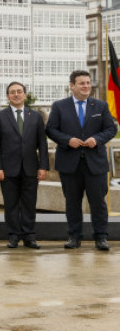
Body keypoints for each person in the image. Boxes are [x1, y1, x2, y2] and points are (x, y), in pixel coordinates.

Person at [46, 70, 117, 251]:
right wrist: (67, 140)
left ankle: (101, 237)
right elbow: (51, 130)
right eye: (81, 83)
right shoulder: (59, 106)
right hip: (70, 163)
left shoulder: (100, 106)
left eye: (88, 83)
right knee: (72, 202)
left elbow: (111, 129)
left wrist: (97, 139)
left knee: (98, 203)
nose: (86, 86)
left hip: (96, 164)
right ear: (72, 86)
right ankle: (74, 237)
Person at [0, 82, 49, 249]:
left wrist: (43, 166)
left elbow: (42, 144)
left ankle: (29, 236)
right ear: (8, 96)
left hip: (31, 168)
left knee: (30, 203)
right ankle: (14, 235)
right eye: (12, 92)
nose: (16, 94)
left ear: (25, 95)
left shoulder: (35, 116)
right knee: (11, 204)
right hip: (7, 169)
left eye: (19, 92)